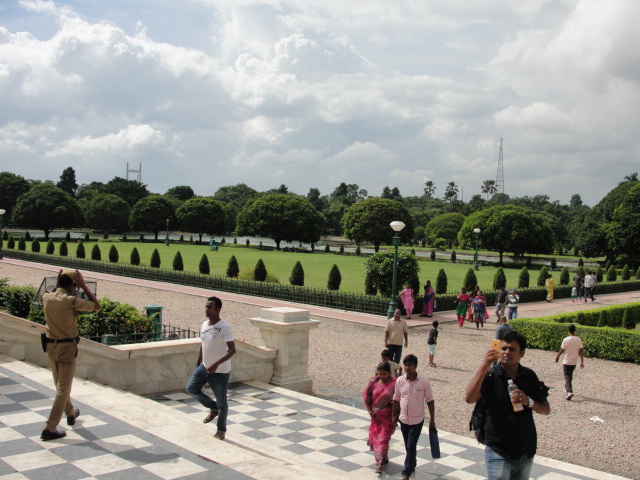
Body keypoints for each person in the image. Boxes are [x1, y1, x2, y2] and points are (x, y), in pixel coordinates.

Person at [465, 332, 551, 480]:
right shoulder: (490, 375)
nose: (506, 353)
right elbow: (469, 398)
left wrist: (528, 401)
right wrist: (484, 366)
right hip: (498, 449)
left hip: (525, 450)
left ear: (522, 353)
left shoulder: (529, 376)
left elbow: (545, 409)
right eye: (503, 348)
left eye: (512, 349)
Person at [40, 269, 101, 441]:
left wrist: (60, 282)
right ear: (73, 285)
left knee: (60, 384)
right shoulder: (71, 301)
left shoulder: (47, 297)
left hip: (51, 346)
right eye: (75, 285)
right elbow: (96, 305)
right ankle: (50, 427)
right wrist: (84, 286)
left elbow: (51, 295)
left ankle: (70, 412)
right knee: (63, 388)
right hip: (67, 347)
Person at [186, 296, 236, 440]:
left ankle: (221, 431)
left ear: (218, 309)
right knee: (191, 388)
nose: (206, 310)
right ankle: (213, 408)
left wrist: (216, 364)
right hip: (204, 368)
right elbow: (204, 343)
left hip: (219, 372)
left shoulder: (224, 327)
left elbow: (232, 350)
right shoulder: (204, 325)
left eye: (210, 307)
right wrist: (200, 361)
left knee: (222, 402)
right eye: (206, 306)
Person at [392, 354, 436, 480]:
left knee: (411, 445)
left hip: (417, 420)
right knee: (408, 445)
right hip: (403, 419)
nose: (407, 368)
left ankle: (407, 471)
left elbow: (430, 401)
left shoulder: (424, 382)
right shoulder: (400, 381)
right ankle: (412, 462)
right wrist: (394, 415)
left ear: (416, 366)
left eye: (410, 365)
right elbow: (396, 399)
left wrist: (432, 420)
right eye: (405, 365)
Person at [363, 362, 397, 474]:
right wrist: (369, 411)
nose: (382, 376)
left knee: (383, 439)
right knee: (377, 438)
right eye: (380, 373)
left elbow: (398, 401)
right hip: (375, 417)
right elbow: (367, 398)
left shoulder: (394, 385)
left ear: (389, 373)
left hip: (387, 418)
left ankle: (380, 463)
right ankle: (384, 457)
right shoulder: (373, 383)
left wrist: (396, 416)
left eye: (384, 374)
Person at [555, 324, 584, 400]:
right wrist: (582, 361)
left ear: (568, 330)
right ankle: (567, 388)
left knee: (567, 376)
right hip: (574, 361)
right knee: (569, 376)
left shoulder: (566, 339)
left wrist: (557, 356)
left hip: (567, 361)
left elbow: (562, 350)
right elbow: (581, 351)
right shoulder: (578, 339)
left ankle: (569, 392)